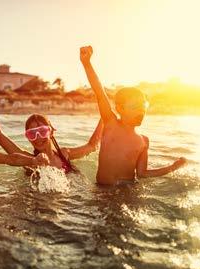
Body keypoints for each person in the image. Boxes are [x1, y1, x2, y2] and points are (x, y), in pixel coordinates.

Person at [79, 46, 186, 185]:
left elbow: (142, 174)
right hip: (102, 192)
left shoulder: (143, 141)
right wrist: (86, 63)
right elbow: (99, 92)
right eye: (135, 107)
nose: (141, 111)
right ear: (120, 109)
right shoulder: (111, 123)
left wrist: (172, 167)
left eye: (143, 107)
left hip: (128, 193)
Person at [0, 81, 103, 173]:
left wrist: (105, 117)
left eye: (42, 131)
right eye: (32, 134)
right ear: (28, 138)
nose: (38, 138)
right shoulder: (28, 160)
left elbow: (91, 146)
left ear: (51, 132)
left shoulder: (64, 154)